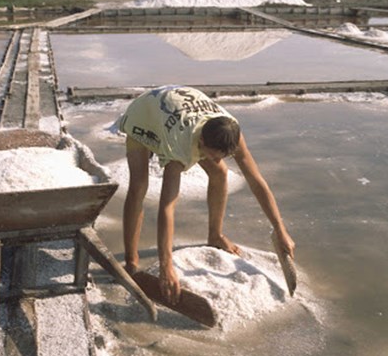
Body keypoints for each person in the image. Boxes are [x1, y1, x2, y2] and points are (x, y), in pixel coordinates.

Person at [119, 86, 295, 305]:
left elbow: (256, 181)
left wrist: (279, 229)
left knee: (220, 172)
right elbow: (167, 207)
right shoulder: (179, 147)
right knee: (139, 186)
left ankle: (215, 235)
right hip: (144, 114)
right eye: (213, 154)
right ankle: (131, 260)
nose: (219, 159)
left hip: (181, 108)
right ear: (201, 141)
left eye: (225, 155)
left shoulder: (231, 131)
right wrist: (167, 266)